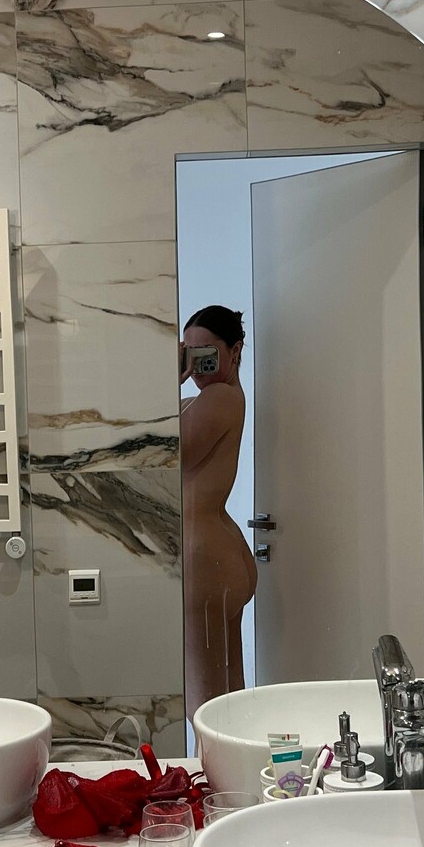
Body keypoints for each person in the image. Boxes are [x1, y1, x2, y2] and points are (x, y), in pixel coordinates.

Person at [179, 305, 257, 712]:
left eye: (205, 353)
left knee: (204, 706)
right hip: (217, 551)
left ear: (235, 350)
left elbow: (166, 451)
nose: (197, 365)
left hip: (205, 559)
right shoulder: (214, 399)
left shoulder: (219, 397)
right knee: (228, 698)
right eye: (189, 354)